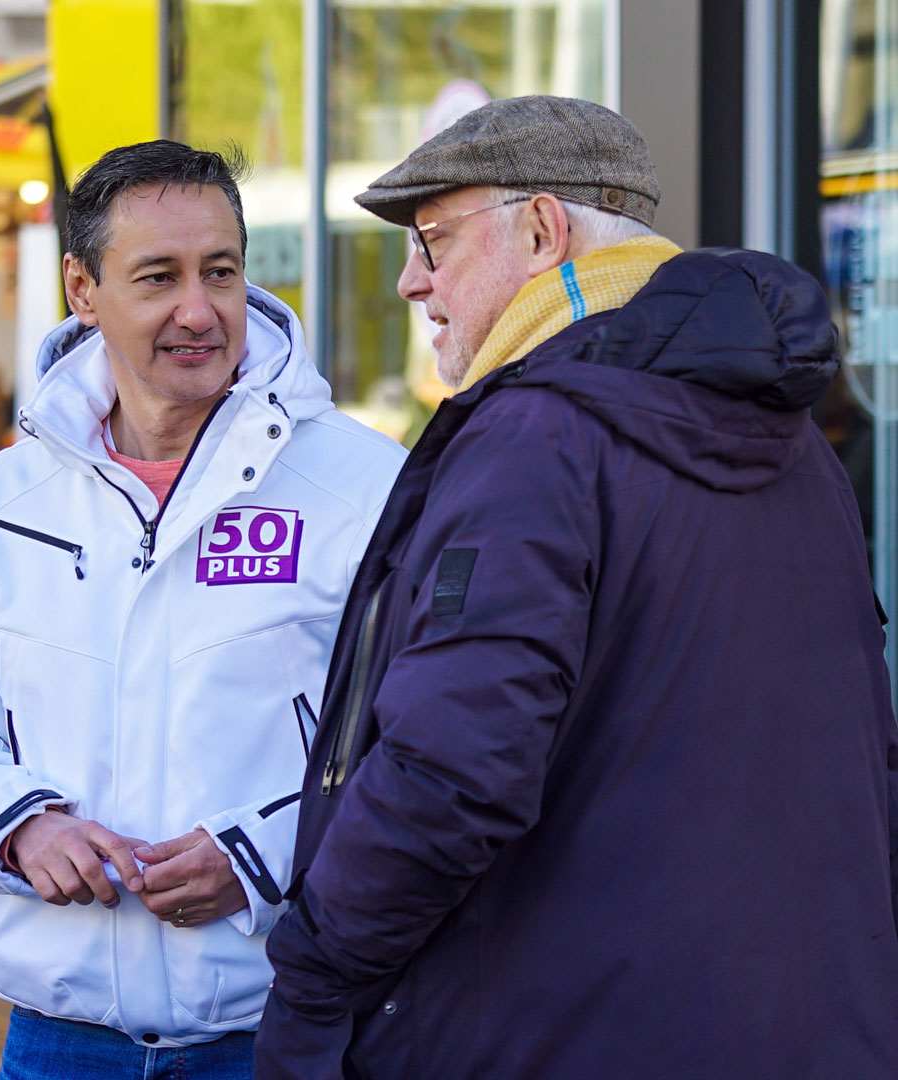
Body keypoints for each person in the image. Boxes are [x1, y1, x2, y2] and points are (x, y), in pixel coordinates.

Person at [255, 95, 898, 1079]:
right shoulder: (798, 444)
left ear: (544, 229)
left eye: (433, 239)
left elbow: (447, 775)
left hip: (563, 1032)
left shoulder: (535, 439)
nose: (409, 281)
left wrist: (310, 981)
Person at [0, 140, 405, 1080]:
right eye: (158, 277)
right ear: (83, 289)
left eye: (222, 272)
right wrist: (21, 825)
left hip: (283, 1032)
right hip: (58, 1039)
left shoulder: (363, 487)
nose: (198, 311)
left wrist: (255, 859)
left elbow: (415, 743)